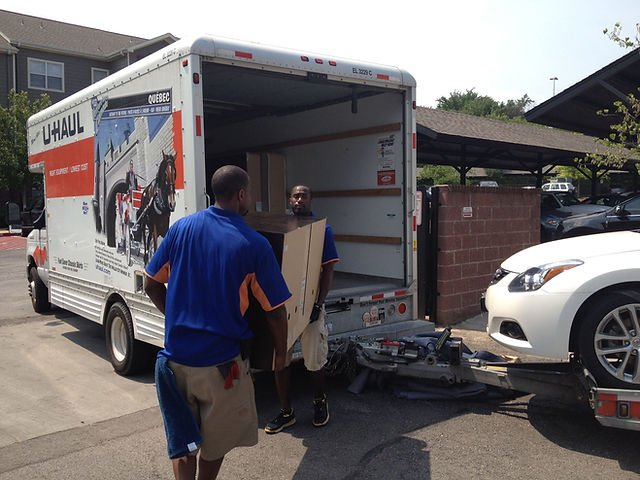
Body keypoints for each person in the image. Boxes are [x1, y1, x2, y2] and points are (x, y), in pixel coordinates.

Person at [144, 165, 290, 480]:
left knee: (184, 444)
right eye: (248, 193)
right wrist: (282, 354)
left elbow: (151, 283)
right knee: (215, 442)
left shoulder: (181, 229)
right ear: (241, 195)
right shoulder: (253, 244)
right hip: (220, 365)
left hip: (173, 363)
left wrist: (176, 320)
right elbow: (275, 311)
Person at [265, 184, 339, 434]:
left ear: (311, 198)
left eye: (303, 195)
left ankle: (320, 402)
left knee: (314, 359)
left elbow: (328, 269)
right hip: (282, 307)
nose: (299, 200)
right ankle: (286, 412)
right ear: (289, 199)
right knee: (280, 361)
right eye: (295, 196)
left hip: (310, 305)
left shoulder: (322, 230)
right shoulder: (281, 228)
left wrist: (318, 304)